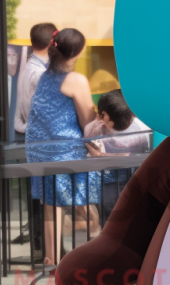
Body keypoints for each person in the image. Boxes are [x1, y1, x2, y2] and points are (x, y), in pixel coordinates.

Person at [26, 28, 100, 265]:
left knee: (51, 205)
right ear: (78, 52)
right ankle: (94, 254)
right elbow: (88, 123)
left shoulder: (45, 76)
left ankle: (52, 259)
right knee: (86, 203)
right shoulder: (76, 80)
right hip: (65, 151)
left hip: (38, 150)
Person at [11, 22, 56, 249]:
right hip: (41, 139)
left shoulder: (30, 67)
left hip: (32, 136)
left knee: (40, 196)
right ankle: (44, 246)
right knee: (43, 197)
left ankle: (43, 245)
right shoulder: (40, 73)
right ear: (52, 42)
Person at [84, 89, 152, 217]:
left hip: (131, 183)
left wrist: (100, 155)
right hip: (111, 186)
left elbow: (96, 154)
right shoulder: (143, 127)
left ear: (105, 114)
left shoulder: (142, 128)